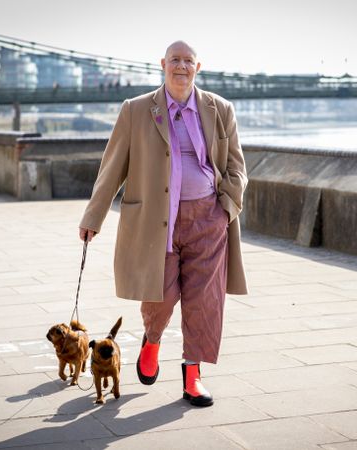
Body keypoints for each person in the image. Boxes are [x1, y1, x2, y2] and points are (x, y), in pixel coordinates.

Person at [78, 40, 248, 407]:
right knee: (162, 296)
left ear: (197, 68)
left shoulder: (221, 109)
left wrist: (226, 206)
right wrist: (94, 216)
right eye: (175, 60)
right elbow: (112, 169)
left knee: (205, 300)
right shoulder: (136, 110)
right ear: (163, 64)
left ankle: (192, 376)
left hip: (208, 218)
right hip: (158, 221)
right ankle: (151, 341)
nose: (182, 67)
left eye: (188, 61)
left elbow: (236, 165)